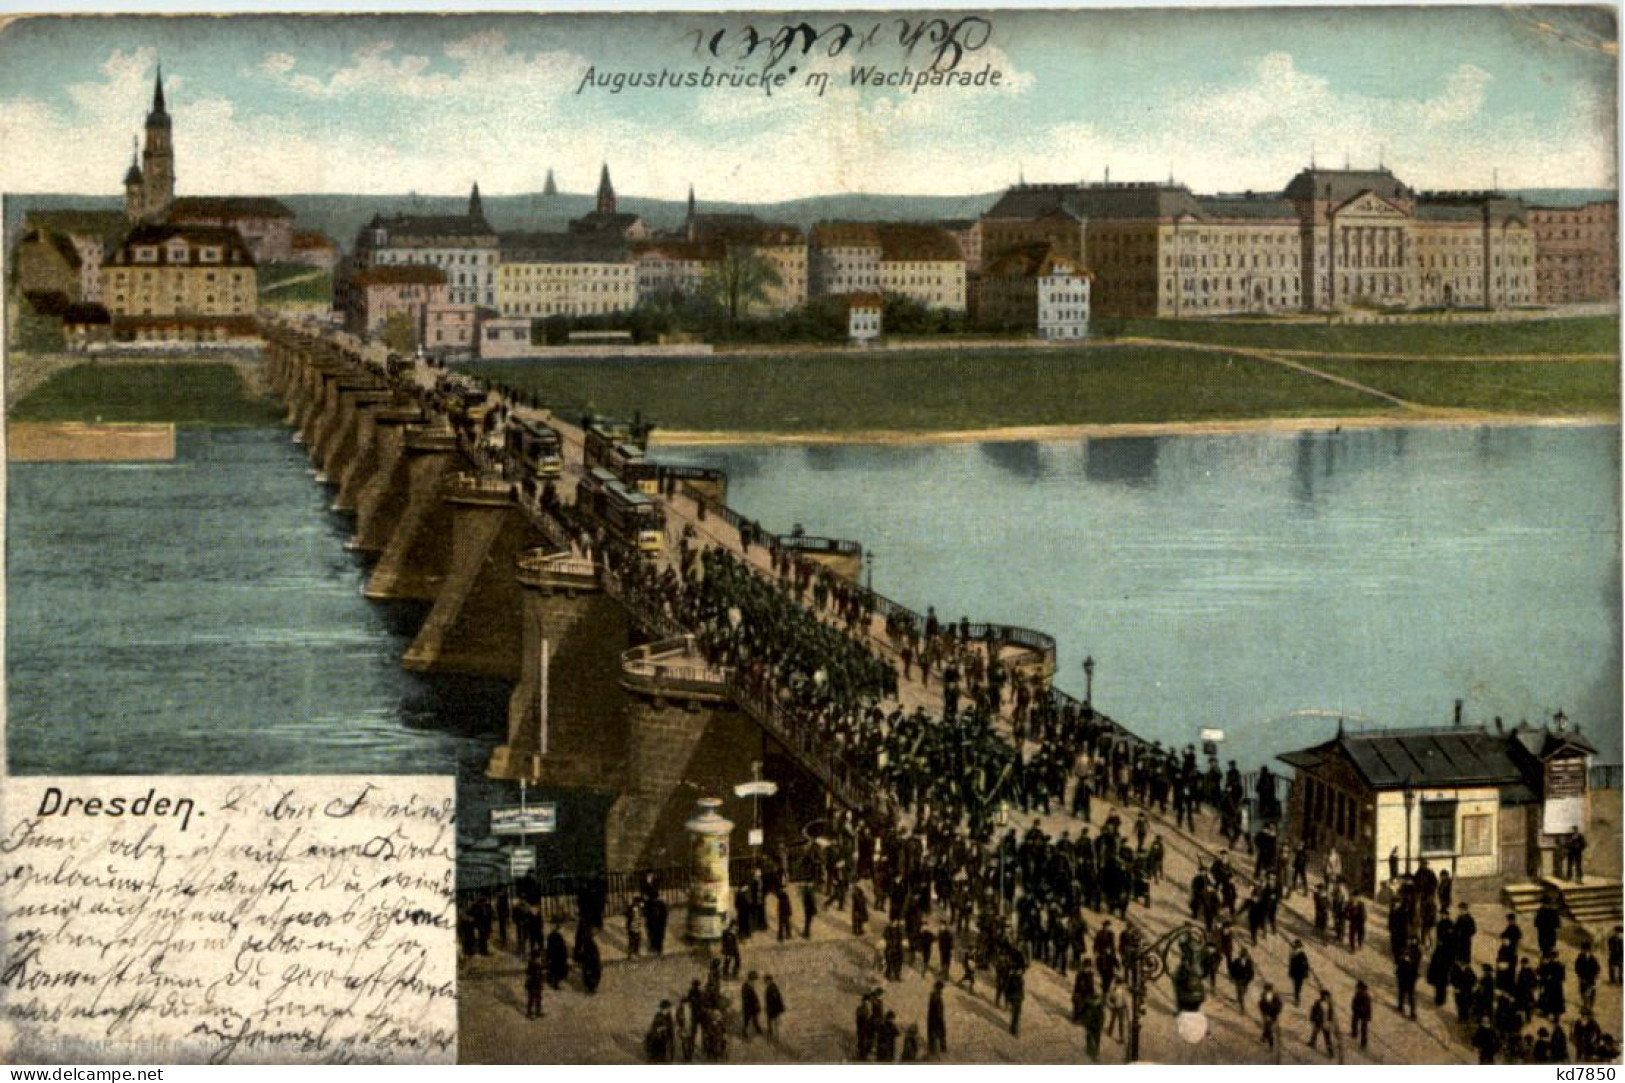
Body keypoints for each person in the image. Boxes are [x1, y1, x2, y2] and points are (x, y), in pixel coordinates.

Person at [1229, 947, 1256, 1015]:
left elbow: (1251, 972)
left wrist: (1250, 979)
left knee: (1243, 992)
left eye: (1244, 956)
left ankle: (1238, 1000)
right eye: (1242, 956)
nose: (1243, 958)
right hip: (1238, 980)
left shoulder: (1249, 962)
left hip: (1246, 981)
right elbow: (1232, 970)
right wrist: (1232, 977)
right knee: (1240, 994)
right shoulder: (1236, 961)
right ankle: (1242, 1008)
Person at [1309, 989, 1336, 1057]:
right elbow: (1313, 1011)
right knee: (1315, 1032)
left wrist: (1330, 1021)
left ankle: (1330, 1052)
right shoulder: (1317, 1003)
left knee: (1327, 1037)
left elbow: (1331, 1014)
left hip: (1326, 1022)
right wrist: (1312, 1019)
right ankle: (1312, 1043)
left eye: (1328, 997)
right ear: (1322, 996)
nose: (1327, 998)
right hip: (1318, 1021)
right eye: (1326, 996)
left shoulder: (1329, 1004)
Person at [1259, 982, 1284, 1049]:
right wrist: (1263, 1012)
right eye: (1266, 989)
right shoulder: (1264, 995)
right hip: (1265, 1014)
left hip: (1272, 1016)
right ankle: (1264, 1037)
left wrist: (1272, 1014)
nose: (1266, 991)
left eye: (1267, 989)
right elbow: (1261, 1004)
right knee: (1266, 1026)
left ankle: (1271, 1044)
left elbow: (1278, 1007)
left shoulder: (1275, 997)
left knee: (1268, 1029)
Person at [927, 980, 948, 1056]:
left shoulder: (934, 995)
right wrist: (940, 1017)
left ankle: (935, 1048)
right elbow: (937, 1007)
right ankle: (938, 1048)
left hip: (933, 1018)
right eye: (941, 988)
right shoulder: (936, 995)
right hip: (936, 1018)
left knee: (936, 1033)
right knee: (939, 1033)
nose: (941, 990)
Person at [741, 971, 764, 1039]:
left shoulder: (750, 985)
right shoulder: (746, 986)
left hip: (752, 1006)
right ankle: (744, 1032)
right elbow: (746, 998)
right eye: (754, 980)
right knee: (747, 1020)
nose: (754, 981)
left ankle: (757, 1028)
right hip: (748, 1007)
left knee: (755, 1018)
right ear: (751, 979)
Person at [1351, 980, 1372, 1049]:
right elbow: (1354, 1001)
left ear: (1362, 988)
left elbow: (1366, 1007)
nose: (1357, 989)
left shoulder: (1366, 996)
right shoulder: (1357, 993)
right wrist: (1353, 1007)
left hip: (1364, 1014)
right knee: (1354, 1022)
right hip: (1357, 1012)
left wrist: (1358, 1009)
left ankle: (1363, 1042)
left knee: (1364, 1029)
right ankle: (1354, 1033)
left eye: (1358, 987)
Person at [1288, 940, 1310, 1006]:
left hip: (1299, 973)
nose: (1295, 948)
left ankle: (1297, 998)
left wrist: (1305, 972)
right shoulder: (1293, 954)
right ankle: (1297, 997)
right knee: (1297, 986)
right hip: (1297, 973)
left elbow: (1306, 965)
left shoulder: (1300, 954)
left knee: (1297, 986)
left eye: (1296, 947)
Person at [524, 951, 545, 1019]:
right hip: (532, 984)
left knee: (538, 997)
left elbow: (541, 973)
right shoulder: (531, 964)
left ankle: (538, 1011)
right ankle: (529, 1012)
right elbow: (529, 974)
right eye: (538, 957)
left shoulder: (539, 964)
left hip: (538, 983)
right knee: (531, 998)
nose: (539, 959)